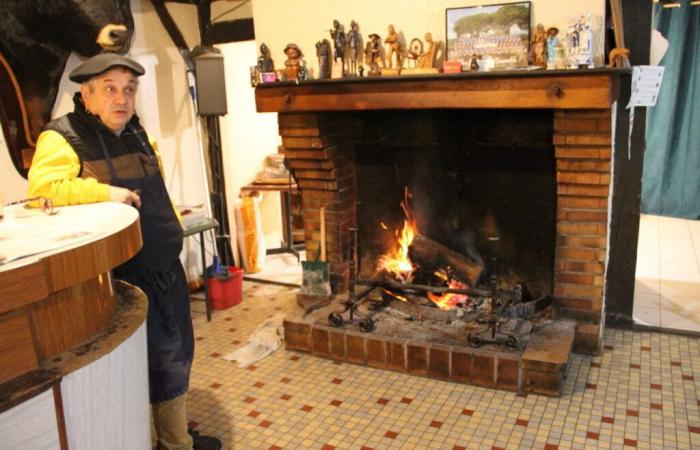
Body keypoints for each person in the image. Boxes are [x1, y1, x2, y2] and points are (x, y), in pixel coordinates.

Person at [27, 53, 221, 450]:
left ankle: (174, 436)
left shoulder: (135, 132)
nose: (122, 99)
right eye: (111, 89)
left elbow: (156, 190)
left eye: (129, 90)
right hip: (123, 279)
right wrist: (106, 193)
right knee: (149, 365)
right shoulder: (61, 137)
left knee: (177, 355)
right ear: (86, 94)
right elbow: (42, 191)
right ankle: (173, 445)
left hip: (164, 266)